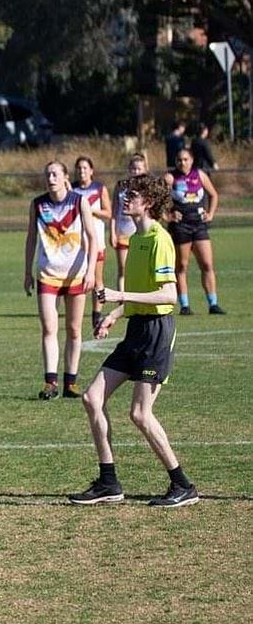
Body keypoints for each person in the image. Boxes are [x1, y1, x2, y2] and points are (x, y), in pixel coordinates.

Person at [69, 173, 198, 508]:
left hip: (156, 333)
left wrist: (119, 295)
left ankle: (182, 485)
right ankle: (109, 482)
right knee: (92, 398)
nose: (125, 198)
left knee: (140, 414)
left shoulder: (159, 239)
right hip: (136, 330)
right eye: (125, 193)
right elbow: (143, 294)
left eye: (133, 195)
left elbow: (168, 295)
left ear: (149, 203)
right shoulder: (136, 239)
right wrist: (115, 314)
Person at [23, 161, 96, 400]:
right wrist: (27, 272)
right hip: (48, 274)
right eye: (47, 174)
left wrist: (91, 271)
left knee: (74, 329)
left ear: (65, 177)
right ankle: (50, 382)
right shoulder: (38, 204)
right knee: (48, 328)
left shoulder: (79, 202)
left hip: (76, 275)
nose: (50, 178)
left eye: (55, 174)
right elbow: (31, 238)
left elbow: (92, 237)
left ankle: (70, 383)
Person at [165, 148, 225, 315]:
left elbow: (214, 195)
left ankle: (213, 304)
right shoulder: (170, 177)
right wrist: (167, 215)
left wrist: (210, 214)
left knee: (207, 264)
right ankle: (185, 305)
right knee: (181, 266)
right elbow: (157, 198)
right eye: (179, 160)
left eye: (185, 159)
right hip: (180, 227)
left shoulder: (200, 175)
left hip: (199, 225)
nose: (182, 163)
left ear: (191, 160)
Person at [70, 156, 112, 329]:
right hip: (77, 241)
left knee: (96, 278)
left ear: (91, 171)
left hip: (96, 240)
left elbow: (108, 213)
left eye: (85, 168)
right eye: (79, 168)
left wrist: (90, 211)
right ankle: (74, 311)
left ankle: (97, 313)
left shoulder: (99, 189)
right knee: (76, 278)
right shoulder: (71, 189)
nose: (82, 171)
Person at [110, 153, 150, 292]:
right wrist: (113, 232)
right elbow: (114, 211)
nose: (136, 172)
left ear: (145, 170)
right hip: (123, 233)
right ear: (129, 169)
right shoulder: (121, 186)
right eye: (133, 168)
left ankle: (141, 295)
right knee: (123, 269)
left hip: (140, 233)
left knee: (141, 268)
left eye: (139, 169)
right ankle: (122, 298)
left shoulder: (146, 188)